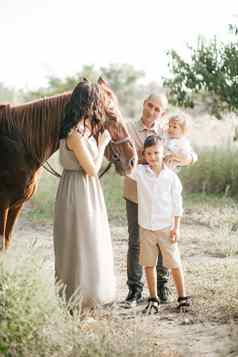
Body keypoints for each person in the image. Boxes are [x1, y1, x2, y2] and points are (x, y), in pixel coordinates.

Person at [53, 81, 116, 312]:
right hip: (78, 189)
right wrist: (102, 145)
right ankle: (76, 302)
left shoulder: (82, 129)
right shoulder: (74, 134)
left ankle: (89, 299)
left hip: (87, 189)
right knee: (77, 244)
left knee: (90, 242)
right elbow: (92, 169)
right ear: (88, 102)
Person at [128, 135, 192, 314]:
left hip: (166, 227)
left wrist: (176, 227)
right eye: (148, 153)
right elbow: (126, 168)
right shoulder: (140, 172)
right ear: (144, 154)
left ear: (163, 153)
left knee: (174, 263)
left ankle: (182, 297)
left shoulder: (171, 177)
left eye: (156, 153)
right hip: (146, 227)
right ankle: (153, 299)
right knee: (149, 264)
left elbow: (177, 205)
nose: (153, 157)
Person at [123, 93, 170, 305]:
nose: (152, 111)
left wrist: (180, 157)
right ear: (144, 103)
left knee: (161, 240)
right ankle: (134, 289)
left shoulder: (165, 132)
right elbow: (125, 158)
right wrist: (155, 158)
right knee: (136, 242)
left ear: (163, 113)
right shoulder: (128, 129)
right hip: (135, 194)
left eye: (157, 109)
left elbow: (184, 152)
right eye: (150, 105)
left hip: (160, 198)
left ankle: (162, 286)